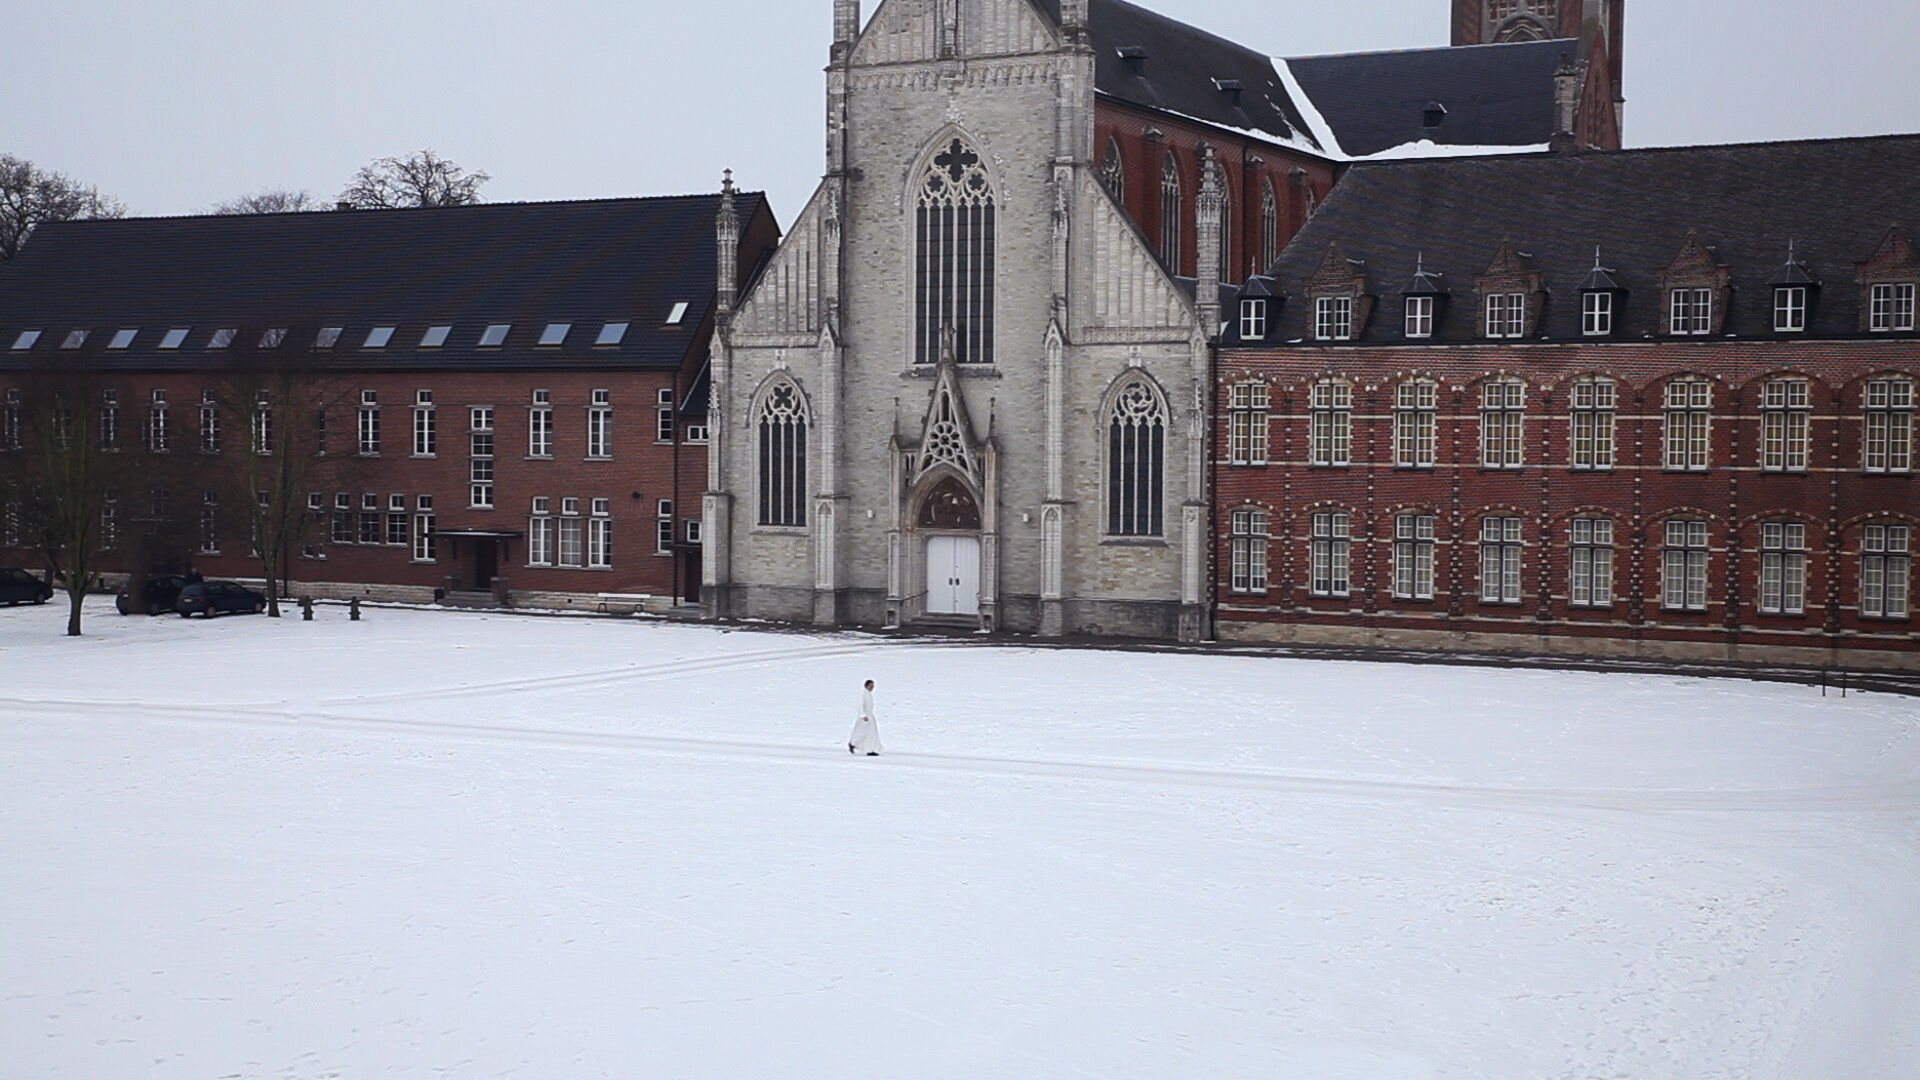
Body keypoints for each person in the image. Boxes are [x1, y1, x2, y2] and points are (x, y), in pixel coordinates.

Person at [848, 679, 883, 756]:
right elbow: (860, 705)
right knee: (862, 733)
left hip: (870, 716)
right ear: (867, 685)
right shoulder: (863, 694)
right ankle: (854, 744)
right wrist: (863, 715)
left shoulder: (868, 694)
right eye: (871, 685)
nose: (872, 687)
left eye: (873, 686)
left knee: (871, 734)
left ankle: (871, 749)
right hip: (865, 717)